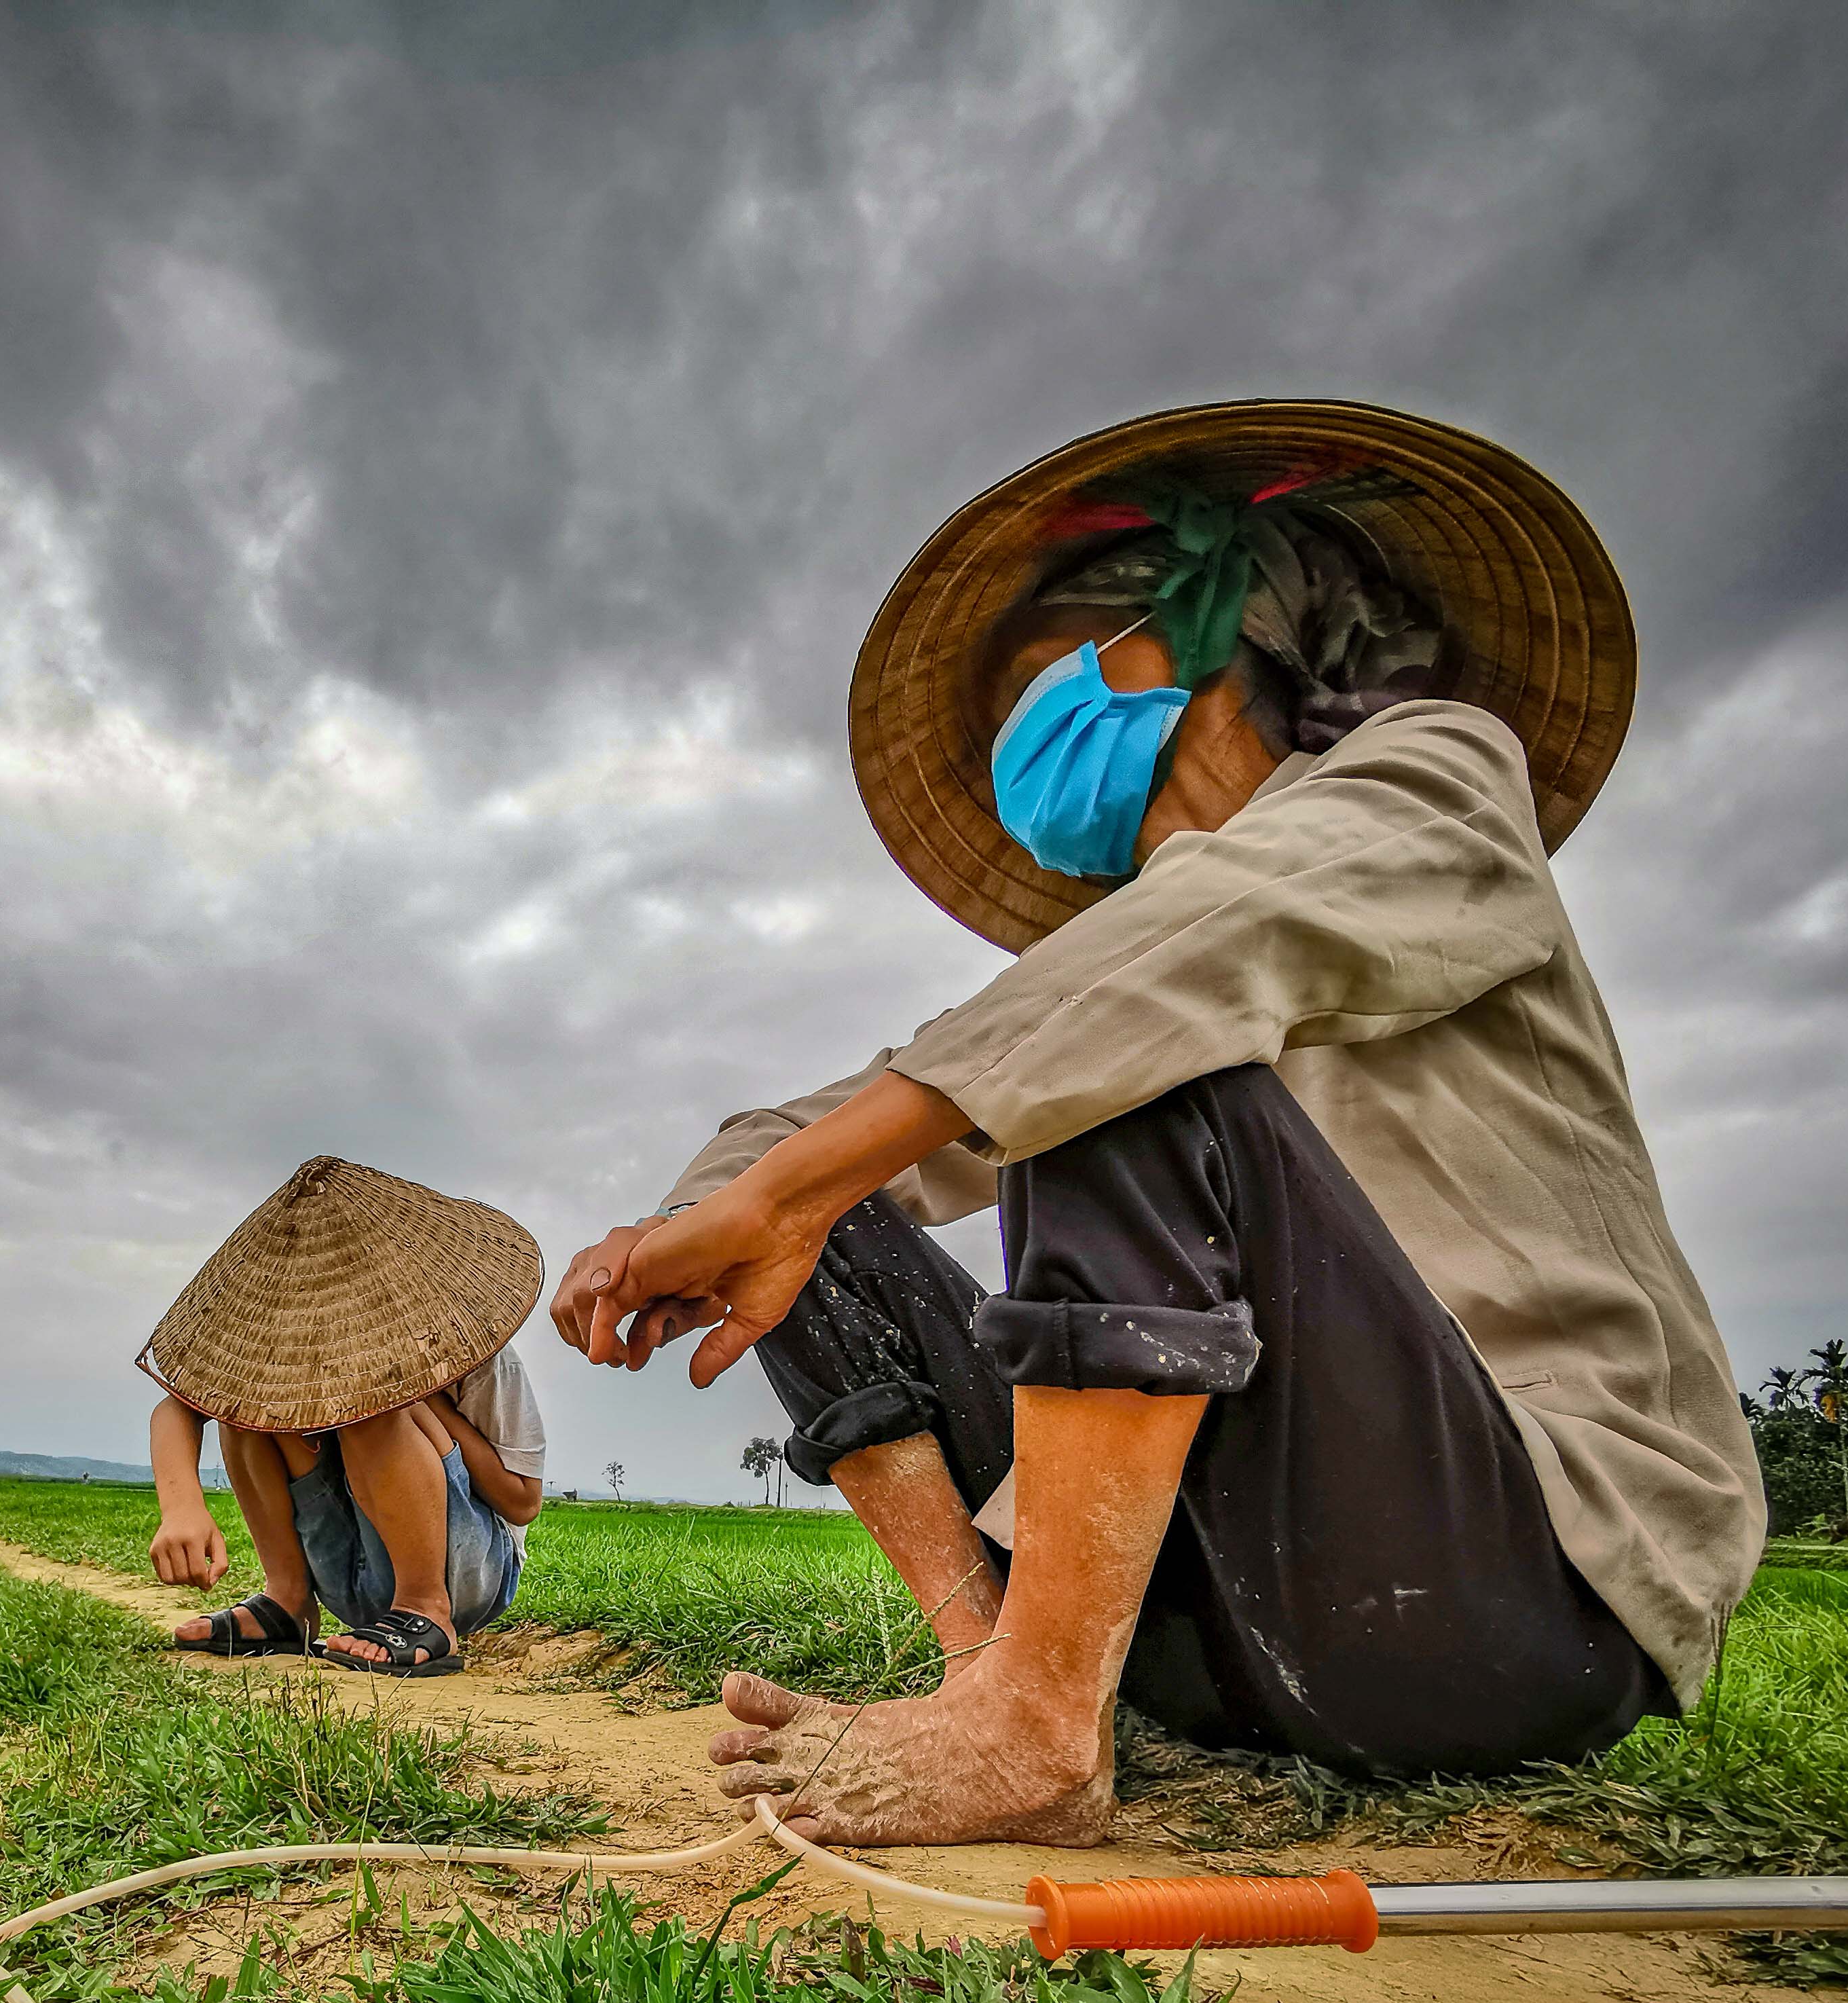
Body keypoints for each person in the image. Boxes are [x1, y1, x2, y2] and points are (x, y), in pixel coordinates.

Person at [556, 401, 1762, 1845]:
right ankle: (994, 1669)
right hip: (1208, 1633)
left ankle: (1037, 1720)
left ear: (1191, 637)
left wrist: (801, 1177)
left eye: (1042, 679)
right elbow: (807, 1128)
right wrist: (688, 1225)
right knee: (836, 1195)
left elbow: (1166, 972)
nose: (1022, 730)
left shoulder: (1436, 778)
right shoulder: (1115, 960)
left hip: (1506, 1601)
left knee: (1102, 1058)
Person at [138, 1158, 549, 1677]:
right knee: (244, 1409)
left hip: (467, 1574)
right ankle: (288, 1601)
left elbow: (523, 1500)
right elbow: (176, 1409)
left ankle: (426, 1608)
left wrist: (423, 1400)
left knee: (370, 1409)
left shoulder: (484, 1355)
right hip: (349, 1569)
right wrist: (181, 1509)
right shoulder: (296, 1344)